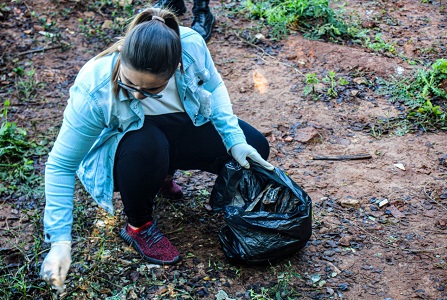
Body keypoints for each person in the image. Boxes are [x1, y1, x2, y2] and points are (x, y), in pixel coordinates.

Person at [39, 6, 273, 293]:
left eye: (150, 90)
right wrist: (60, 241)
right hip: (129, 151)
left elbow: (216, 88)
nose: (137, 94)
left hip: (175, 129)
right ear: (123, 51)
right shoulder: (94, 88)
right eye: (129, 83)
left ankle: (165, 175)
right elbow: (60, 164)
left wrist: (235, 141)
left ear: (175, 69)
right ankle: (138, 225)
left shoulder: (189, 46)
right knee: (146, 145)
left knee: (256, 146)